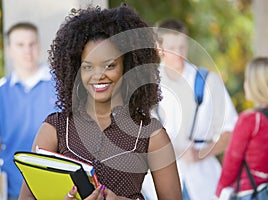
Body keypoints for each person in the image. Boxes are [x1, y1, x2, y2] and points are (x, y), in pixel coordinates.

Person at [18, 4, 181, 200]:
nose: (98, 75)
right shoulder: (56, 128)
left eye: (109, 65)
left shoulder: (151, 134)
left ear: (128, 66)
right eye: (87, 67)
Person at [142, 19, 238, 200]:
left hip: (202, 182)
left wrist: (202, 153)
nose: (178, 53)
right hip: (155, 185)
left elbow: (231, 131)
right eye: (172, 47)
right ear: (158, 48)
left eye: (182, 46)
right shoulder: (147, 85)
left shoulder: (208, 81)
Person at [215, 57, 268, 199]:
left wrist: (219, 193)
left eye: (248, 79)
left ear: (257, 86)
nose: (245, 84)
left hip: (249, 193)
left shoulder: (250, 119)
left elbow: (232, 163)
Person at [0, 22, 57, 199]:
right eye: (20, 45)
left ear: (39, 45)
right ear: (8, 50)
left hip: (55, 187)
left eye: (32, 44)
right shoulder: (2, 92)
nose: (27, 50)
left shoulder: (59, 85)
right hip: (14, 191)